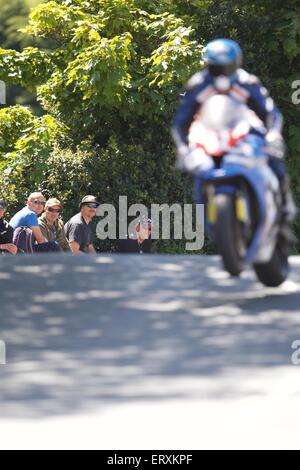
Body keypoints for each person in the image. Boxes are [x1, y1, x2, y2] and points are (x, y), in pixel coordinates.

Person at [172, 38, 297, 227]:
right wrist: (182, 148)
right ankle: (208, 209)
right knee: (194, 167)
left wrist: (272, 135)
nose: (222, 73)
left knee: (274, 158)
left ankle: (285, 201)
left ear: (236, 64)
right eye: (216, 67)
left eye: (227, 67)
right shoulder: (198, 85)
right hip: (210, 135)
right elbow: (180, 122)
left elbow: (271, 113)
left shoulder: (247, 82)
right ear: (207, 65)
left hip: (245, 133)